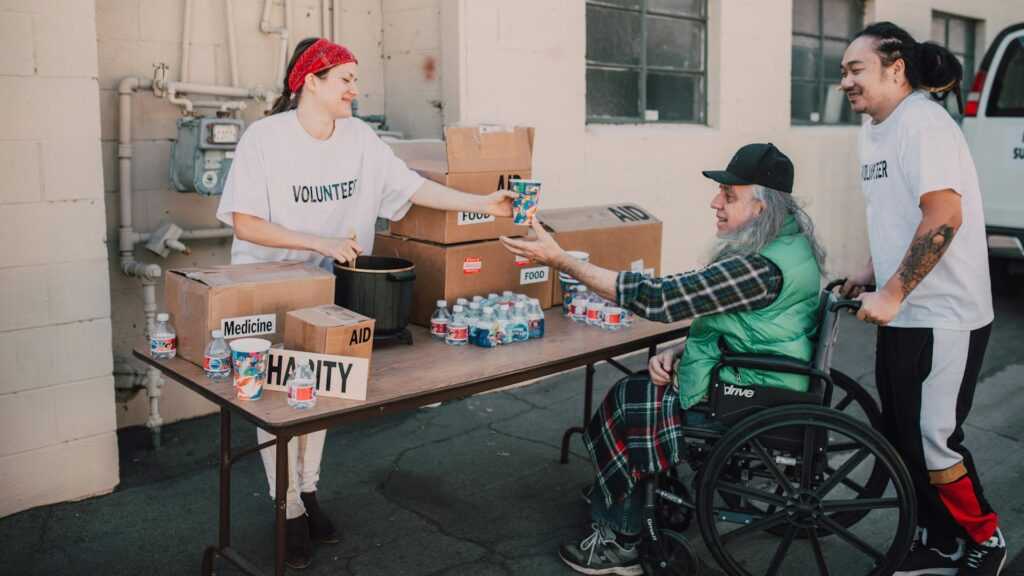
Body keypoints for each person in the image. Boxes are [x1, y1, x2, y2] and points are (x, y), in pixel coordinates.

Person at [216, 37, 514, 569]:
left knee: (323, 388)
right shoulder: (265, 138)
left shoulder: (360, 138)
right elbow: (246, 222)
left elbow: (413, 187)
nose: (356, 88)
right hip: (266, 285)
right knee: (274, 401)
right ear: (311, 81)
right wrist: (320, 242)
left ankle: (308, 494)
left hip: (331, 291)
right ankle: (285, 510)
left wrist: (482, 202)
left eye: (356, 78)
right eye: (346, 78)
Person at [501, 143, 826, 576]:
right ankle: (620, 489)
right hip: (762, 372)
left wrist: (561, 260)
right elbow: (747, 324)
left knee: (632, 402)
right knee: (637, 388)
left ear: (762, 206)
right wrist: (683, 350)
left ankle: (621, 538)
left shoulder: (758, 268)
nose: (715, 202)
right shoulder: (790, 244)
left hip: (750, 390)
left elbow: (659, 299)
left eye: (729, 196)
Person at [839, 22, 1003, 576]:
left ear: (896, 68)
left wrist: (893, 290)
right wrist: (869, 269)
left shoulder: (924, 125)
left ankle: (986, 539)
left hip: (945, 314)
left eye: (855, 69)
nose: (845, 82)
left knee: (935, 439)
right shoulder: (876, 128)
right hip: (905, 312)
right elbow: (891, 210)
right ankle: (939, 538)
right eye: (844, 72)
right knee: (903, 435)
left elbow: (943, 216)